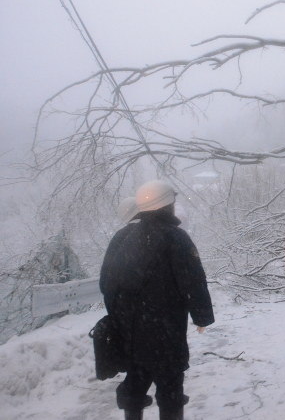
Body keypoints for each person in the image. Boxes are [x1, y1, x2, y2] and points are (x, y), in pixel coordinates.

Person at [100, 180, 214, 420]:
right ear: (167, 205)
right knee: (170, 387)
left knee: (135, 383)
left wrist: (119, 316)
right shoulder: (176, 237)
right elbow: (193, 281)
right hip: (166, 331)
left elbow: (106, 284)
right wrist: (202, 316)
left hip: (131, 332)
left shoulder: (122, 237)